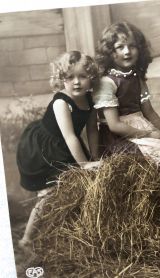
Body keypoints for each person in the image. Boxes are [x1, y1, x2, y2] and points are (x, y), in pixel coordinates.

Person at [17, 51, 100, 249]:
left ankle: (75, 230)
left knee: (79, 183)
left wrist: (95, 156)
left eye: (82, 76)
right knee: (48, 192)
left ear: (92, 78)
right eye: (69, 77)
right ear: (61, 79)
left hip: (65, 144)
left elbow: (92, 130)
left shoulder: (89, 100)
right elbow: (70, 136)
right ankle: (26, 239)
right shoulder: (61, 102)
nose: (77, 82)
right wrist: (85, 164)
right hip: (46, 146)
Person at [93, 21, 160, 166]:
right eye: (120, 47)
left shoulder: (137, 78)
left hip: (140, 132)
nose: (127, 51)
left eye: (132, 46)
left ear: (140, 49)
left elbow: (149, 111)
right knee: (153, 163)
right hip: (117, 139)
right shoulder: (107, 83)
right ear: (110, 53)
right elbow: (114, 125)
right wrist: (148, 134)